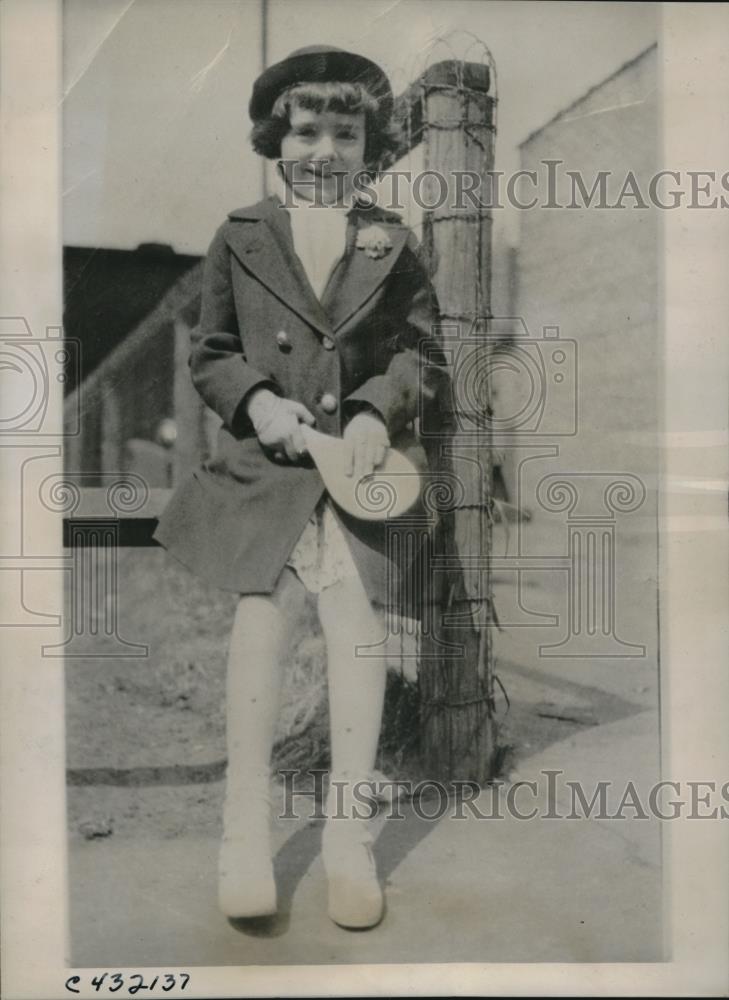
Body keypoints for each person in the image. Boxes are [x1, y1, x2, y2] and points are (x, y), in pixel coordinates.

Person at [154, 45, 447, 930]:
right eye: (307, 129)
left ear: (370, 147)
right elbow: (211, 353)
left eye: (345, 133)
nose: (325, 149)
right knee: (261, 629)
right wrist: (258, 404)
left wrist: (368, 412)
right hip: (272, 469)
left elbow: (417, 354)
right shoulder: (240, 235)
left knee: (357, 637)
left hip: (355, 472)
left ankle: (348, 840)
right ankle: (244, 835)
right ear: (275, 139)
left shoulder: (390, 242)